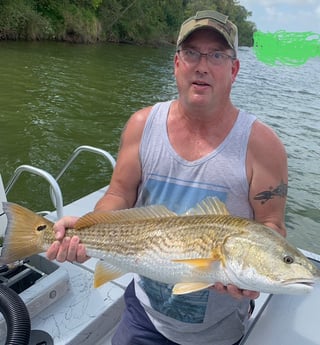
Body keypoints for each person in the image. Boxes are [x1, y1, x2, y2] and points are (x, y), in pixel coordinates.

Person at [47, 9, 288, 345]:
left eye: (217, 55)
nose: (202, 65)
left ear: (234, 69)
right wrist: (87, 230)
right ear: (176, 63)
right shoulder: (141, 125)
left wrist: (254, 274)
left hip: (219, 330)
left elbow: (271, 225)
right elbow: (120, 194)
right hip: (144, 315)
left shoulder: (264, 145)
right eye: (191, 53)